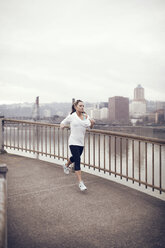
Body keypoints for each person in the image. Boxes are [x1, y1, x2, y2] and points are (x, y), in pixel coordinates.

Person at [60, 99, 95, 191]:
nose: (82, 107)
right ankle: (80, 183)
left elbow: (90, 127)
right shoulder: (72, 116)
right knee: (78, 160)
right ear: (75, 107)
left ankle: (66, 165)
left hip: (81, 143)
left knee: (75, 157)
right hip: (73, 141)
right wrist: (62, 126)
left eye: (83, 106)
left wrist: (92, 123)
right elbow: (63, 122)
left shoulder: (86, 116)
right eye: (80, 106)